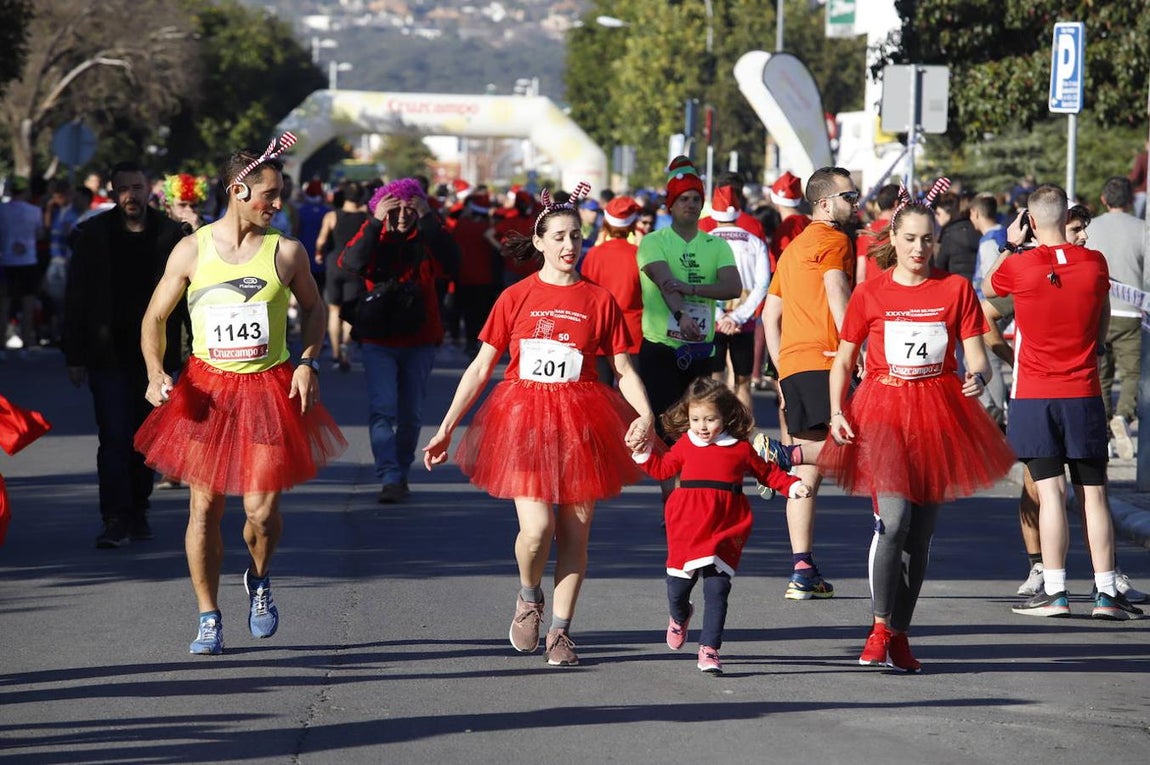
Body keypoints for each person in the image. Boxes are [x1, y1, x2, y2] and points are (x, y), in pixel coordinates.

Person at [422, 184, 654, 667]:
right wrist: (447, 426)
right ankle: (529, 596)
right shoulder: (515, 296)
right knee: (537, 531)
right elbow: (481, 366)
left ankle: (562, 632)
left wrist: (646, 415)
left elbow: (624, 370)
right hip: (524, 420)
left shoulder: (599, 300)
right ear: (541, 241)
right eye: (561, 237)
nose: (571, 245)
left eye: (577, 236)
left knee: (576, 532)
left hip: (583, 421)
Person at [133, 138, 348, 655]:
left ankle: (259, 576)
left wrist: (309, 360)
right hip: (207, 391)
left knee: (259, 512)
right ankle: (208, 616)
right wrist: (155, 369)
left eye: (281, 194)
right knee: (203, 509)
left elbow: (316, 310)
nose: (278, 203)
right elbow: (155, 318)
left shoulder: (288, 251)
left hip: (267, 388)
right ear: (239, 189)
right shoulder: (192, 249)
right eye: (269, 194)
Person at [818, 190, 1016, 671]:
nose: (918, 249)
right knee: (895, 521)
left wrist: (978, 377)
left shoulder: (955, 290)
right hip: (884, 408)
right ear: (894, 238)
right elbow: (844, 360)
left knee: (921, 535)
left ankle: (901, 635)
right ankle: (879, 626)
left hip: (937, 411)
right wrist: (836, 412)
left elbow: (975, 355)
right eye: (909, 239)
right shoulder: (872, 292)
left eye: (927, 240)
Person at [984, 184, 1144, 621]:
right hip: (1084, 391)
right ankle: (1107, 591)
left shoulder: (1021, 266)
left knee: (1050, 493)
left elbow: (987, 285)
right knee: (1094, 494)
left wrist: (1011, 243)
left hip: (1036, 393)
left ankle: (1054, 590)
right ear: (1067, 218)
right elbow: (1103, 319)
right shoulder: (1094, 262)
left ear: (1032, 221)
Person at [627, 377, 809, 674]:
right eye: (696, 418)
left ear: (725, 416)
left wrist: (792, 486)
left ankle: (709, 649)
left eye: (710, 419)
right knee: (678, 588)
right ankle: (680, 615)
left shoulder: (739, 448)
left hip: (726, 525)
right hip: (687, 524)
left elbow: (768, 473)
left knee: (718, 589)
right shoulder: (686, 444)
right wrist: (642, 451)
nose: (702, 426)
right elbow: (662, 468)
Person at [62, 162, 188, 548]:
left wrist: (188, 353)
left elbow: (187, 300)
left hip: (157, 356)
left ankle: (139, 509)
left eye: (137, 187)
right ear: (114, 193)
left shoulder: (172, 234)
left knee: (146, 437)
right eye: (123, 189)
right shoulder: (93, 235)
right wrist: (75, 354)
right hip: (107, 354)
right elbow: (77, 297)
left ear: (149, 188)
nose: (131, 196)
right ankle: (115, 517)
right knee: (114, 436)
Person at [760, 166, 857, 600]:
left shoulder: (793, 247)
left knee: (806, 476)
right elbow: (837, 293)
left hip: (796, 366)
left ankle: (802, 570)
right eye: (849, 197)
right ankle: (784, 450)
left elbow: (768, 316)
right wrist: (852, 352)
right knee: (864, 450)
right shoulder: (834, 240)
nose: (854, 203)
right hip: (828, 360)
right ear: (824, 203)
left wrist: (782, 370)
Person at [338, 178, 458, 503]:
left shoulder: (428, 235)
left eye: (409, 208)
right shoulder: (374, 234)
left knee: (412, 414)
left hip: (420, 338)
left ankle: (401, 471)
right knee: (382, 409)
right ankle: (389, 475)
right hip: (379, 338)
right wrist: (376, 220)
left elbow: (452, 263)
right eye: (395, 208)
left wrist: (429, 217)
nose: (402, 215)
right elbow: (350, 263)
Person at [636, 156, 742, 468]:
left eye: (697, 198)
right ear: (670, 204)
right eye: (684, 198)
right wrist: (681, 314)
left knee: (701, 431)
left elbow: (732, 287)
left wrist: (692, 288)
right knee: (668, 432)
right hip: (661, 347)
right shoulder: (653, 242)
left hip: (700, 350)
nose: (691, 204)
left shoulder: (716, 245)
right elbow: (664, 280)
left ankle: (690, 502)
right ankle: (673, 508)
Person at [1088, 177, 1145, 460]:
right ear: (1131, 200)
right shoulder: (1143, 229)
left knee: (1102, 375)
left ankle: (1103, 434)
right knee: (1133, 373)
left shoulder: (1090, 227)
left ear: (1103, 199)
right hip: (1131, 313)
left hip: (1097, 310)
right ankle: (1123, 415)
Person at [707, 185, 770, 413]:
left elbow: (701, 283)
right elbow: (763, 284)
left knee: (713, 380)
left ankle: (711, 437)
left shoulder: (704, 241)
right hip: (744, 323)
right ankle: (745, 438)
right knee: (742, 382)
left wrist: (722, 316)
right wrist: (739, 317)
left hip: (713, 321)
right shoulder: (755, 242)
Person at [579, 195, 643, 384]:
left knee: (601, 397)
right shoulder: (639, 254)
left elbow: (585, 295)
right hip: (633, 334)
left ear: (605, 223)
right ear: (632, 226)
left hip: (600, 333)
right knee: (635, 399)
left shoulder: (593, 255)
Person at [315, 181, 369, 371]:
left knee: (334, 310)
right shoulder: (366, 217)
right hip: (355, 266)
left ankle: (336, 353)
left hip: (334, 264)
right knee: (350, 311)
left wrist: (319, 253)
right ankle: (346, 346)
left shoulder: (331, 216)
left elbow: (321, 240)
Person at [0, 178, 45, 354]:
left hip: (6, 260)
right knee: (28, 304)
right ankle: (27, 341)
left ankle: (1, 343)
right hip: (28, 261)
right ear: (24, 191)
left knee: (3, 305)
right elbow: (40, 233)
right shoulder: (34, 211)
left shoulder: (2, 210)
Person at [855, 183, 899, 284]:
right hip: (895, 292)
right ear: (897, 204)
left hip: (871, 294)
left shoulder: (866, 231)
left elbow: (860, 275)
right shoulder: (900, 231)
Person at [932, 192, 980, 283]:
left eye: (938, 213)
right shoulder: (975, 227)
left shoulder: (948, 234)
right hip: (978, 284)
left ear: (949, 213)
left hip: (957, 284)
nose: (936, 217)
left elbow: (940, 265)